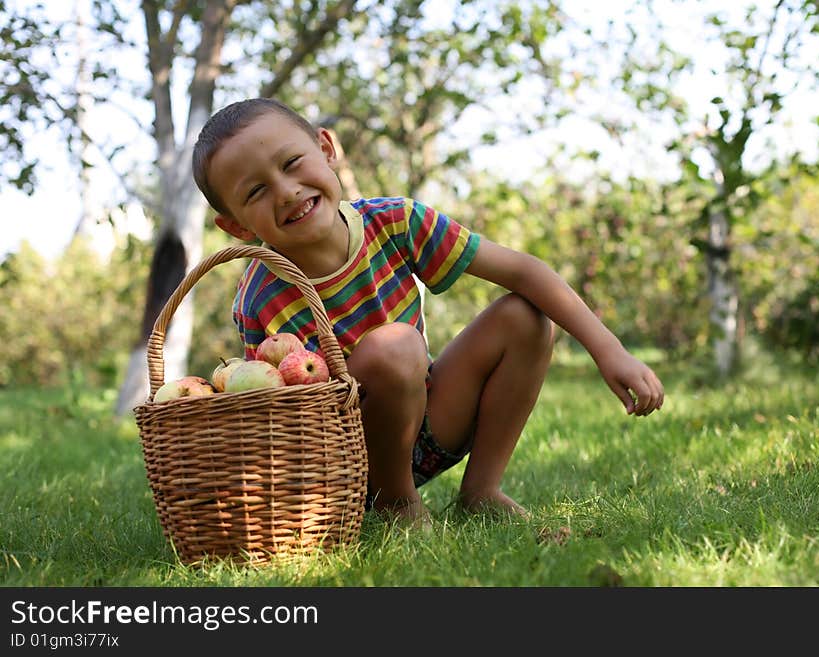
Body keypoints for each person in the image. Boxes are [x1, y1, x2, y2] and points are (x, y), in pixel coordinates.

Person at [192, 98, 664, 527]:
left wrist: (608, 350)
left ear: (326, 147)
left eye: (292, 163)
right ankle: (397, 503)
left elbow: (523, 270)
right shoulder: (262, 295)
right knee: (393, 347)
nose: (287, 191)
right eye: (256, 192)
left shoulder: (394, 222)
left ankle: (481, 490)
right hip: (350, 458)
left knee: (525, 315)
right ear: (234, 225)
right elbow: (281, 418)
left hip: (430, 420)